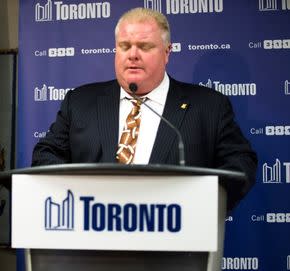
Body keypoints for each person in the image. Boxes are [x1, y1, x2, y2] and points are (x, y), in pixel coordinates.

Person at [31, 7, 257, 210]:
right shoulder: (80, 102)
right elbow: (45, 155)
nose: (133, 55)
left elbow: (240, 164)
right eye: (124, 46)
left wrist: (199, 202)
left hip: (174, 239)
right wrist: (80, 194)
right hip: (92, 233)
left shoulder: (209, 107)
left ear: (167, 53)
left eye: (145, 46)